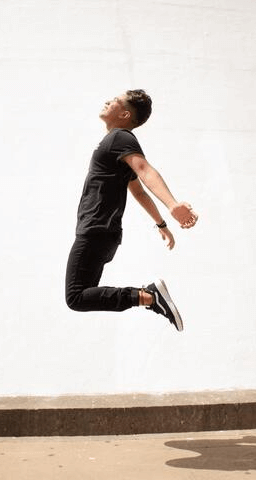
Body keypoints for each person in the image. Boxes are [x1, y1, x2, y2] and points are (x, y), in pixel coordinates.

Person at [65, 89, 198, 331]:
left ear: (125, 114)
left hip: (95, 229)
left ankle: (149, 296)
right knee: (82, 295)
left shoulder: (119, 138)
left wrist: (172, 205)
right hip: (104, 233)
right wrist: (161, 224)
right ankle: (147, 296)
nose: (107, 100)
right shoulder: (115, 147)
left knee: (75, 297)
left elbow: (145, 170)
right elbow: (137, 191)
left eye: (114, 101)